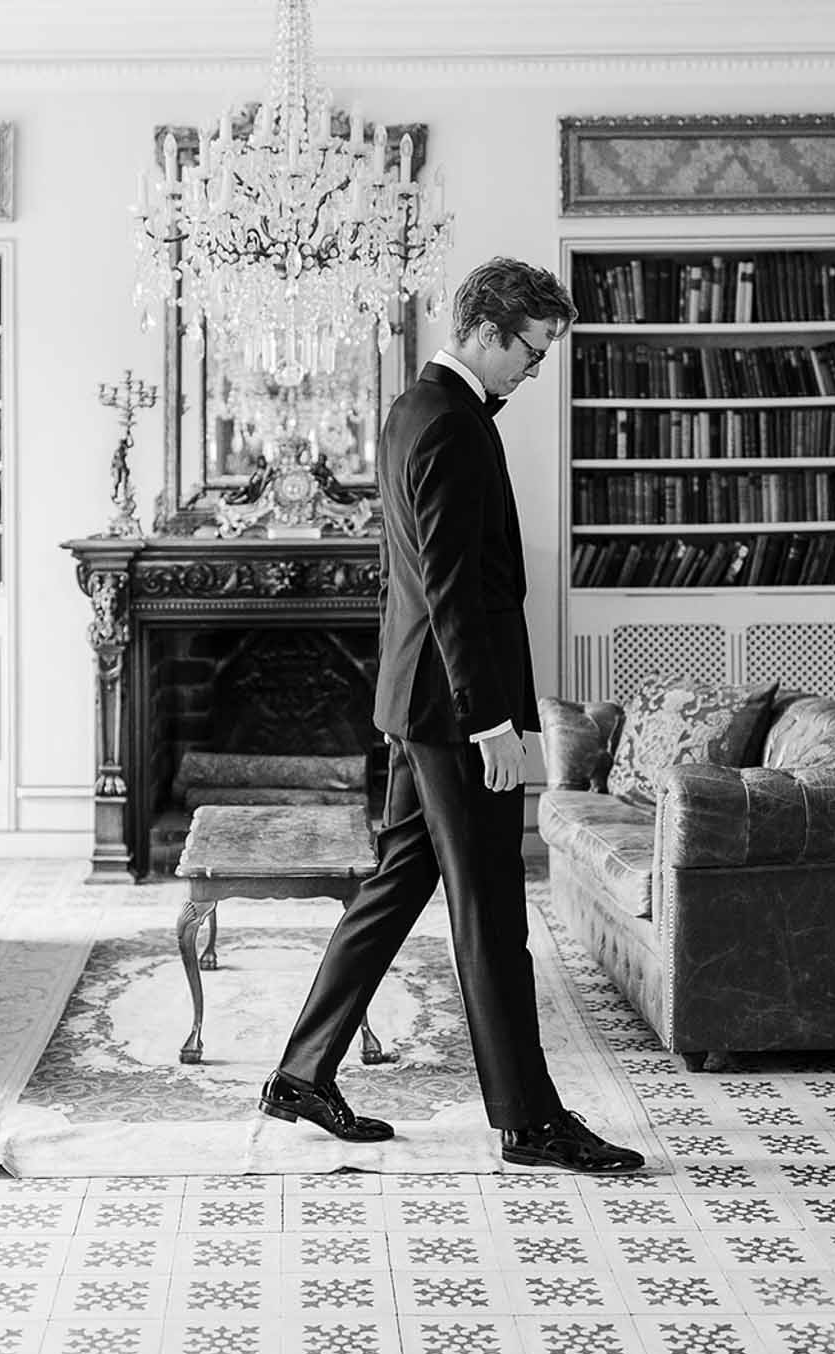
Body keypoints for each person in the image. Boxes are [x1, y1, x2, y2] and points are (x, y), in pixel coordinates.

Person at [258, 257, 644, 1175]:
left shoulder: (413, 410)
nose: (535, 369)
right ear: (486, 331)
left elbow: (409, 580)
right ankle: (529, 1122)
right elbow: (450, 588)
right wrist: (490, 722)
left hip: (417, 700)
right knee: (492, 908)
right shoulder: (451, 425)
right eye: (532, 351)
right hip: (454, 711)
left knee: (399, 881)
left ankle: (302, 1074)